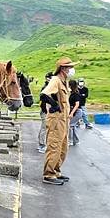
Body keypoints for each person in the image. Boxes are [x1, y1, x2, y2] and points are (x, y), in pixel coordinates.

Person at [40, 57, 77, 185]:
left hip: (64, 120)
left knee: (63, 147)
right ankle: (48, 174)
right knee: (54, 146)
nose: (72, 70)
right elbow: (44, 94)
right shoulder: (55, 80)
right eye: (69, 67)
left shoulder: (64, 81)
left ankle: (56, 171)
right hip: (56, 119)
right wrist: (54, 105)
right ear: (63, 68)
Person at [37, 72, 53, 153]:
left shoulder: (46, 87)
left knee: (43, 127)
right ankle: (42, 144)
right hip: (45, 110)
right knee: (44, 127)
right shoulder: (47, 87)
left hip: (45, 109)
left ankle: (41, 143)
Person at [68, 80, 83, 145]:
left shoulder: (76, 94)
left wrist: (71, 113)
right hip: (74, 111)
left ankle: (70, 140)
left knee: (70, 125)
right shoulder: (72, 93)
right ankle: (76, 140)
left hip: (77, 112)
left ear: (71, 86)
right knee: (73, 126)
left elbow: (77, 104)